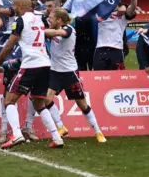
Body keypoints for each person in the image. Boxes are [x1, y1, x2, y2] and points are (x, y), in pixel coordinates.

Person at [0, 0, 65, 149]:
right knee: (38, 103)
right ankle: (57, 137)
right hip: (45, 64)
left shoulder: (20, 21)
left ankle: (16, 134)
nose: (14, 9)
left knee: (9, 100)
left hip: (30, 65)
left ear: (21, 7)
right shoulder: (40, 18)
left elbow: (10, 45)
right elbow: (47, 32)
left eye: (15, 7)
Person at [45, 8, 106, 143]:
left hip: (69, 72)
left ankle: (98, 132)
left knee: (82, 104)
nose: (49, 19)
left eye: (51, 18)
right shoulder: (52, 28)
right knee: (46, 99)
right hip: (55, 71)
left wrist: (40, 31)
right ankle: (61, 127)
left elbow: (57, 33)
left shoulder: (68, 29)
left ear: (59, 20)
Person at [91, 0, 138, 71]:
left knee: (118, 79)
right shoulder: (100, 14)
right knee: (97, 78)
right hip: (100, 49)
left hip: (117, 50)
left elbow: (133, 6)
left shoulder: (124, 15)